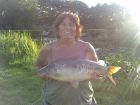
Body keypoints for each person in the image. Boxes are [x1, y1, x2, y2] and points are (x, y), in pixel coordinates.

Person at [36, 11, 98, 105]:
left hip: (83, 100)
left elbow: (97, 70)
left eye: (71, 24)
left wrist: (97, 75)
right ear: (58, 27)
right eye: (63, 24)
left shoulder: (87, 47)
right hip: (54, 100)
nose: (67, 27)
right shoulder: (48, 48)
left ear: (77, 28)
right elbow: (38, 67)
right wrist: (43, 74)